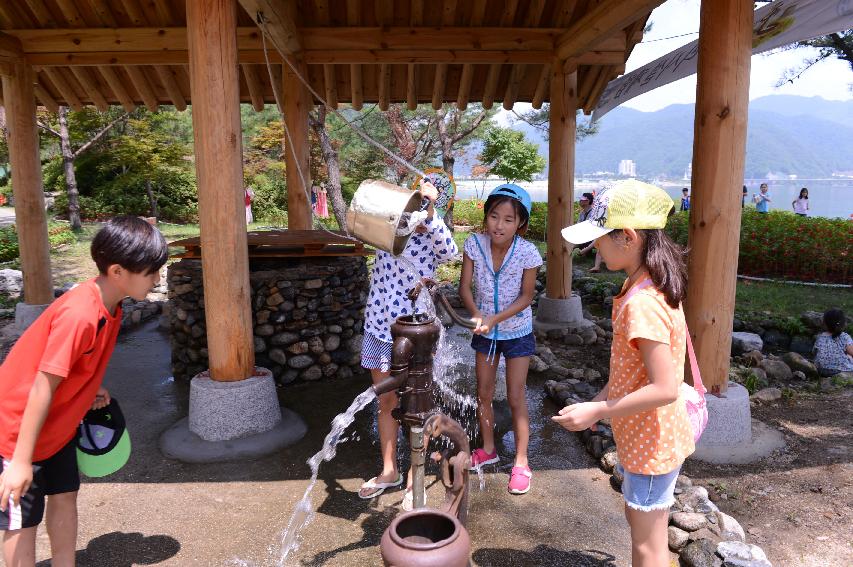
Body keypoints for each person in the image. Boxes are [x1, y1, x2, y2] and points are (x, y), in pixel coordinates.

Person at [0, 216, 168, 567]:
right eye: (151, 271)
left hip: (58, 427)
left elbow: (74, 365)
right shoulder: (80, 314)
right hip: (18, 429)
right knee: (21, 521)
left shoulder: (113, 304)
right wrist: (19, 462)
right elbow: (42, 385)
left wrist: (89, 387)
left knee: (64, 496)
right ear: (118, 271)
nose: (156, 279)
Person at [557, 182, 695, 567]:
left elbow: (666, 387)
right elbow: (629, 372)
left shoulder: (642, 303)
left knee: (648, 546)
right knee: (642, 524)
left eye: (600, 237)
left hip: (651, 443)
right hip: (647, 436)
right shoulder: (644, 284)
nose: (594, 247)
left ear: (628, 237)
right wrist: (597, 401)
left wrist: (599, 412)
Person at [359, 180, 458, 509]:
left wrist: (429, 214)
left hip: (416, 331)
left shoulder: (432, 231)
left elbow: (451, 251)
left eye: (423, 200)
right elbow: (360, 221)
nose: (414, 207)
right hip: (379, 325)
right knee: (385, 401)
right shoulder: (388, 228)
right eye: (414, 198)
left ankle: (417, 481)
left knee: (418, 405)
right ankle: (390, 471)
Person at [459, 184, 542, 495]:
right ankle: (489, 449)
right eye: (495, 216)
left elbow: (527, 296)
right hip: (485, 332)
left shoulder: (527, 252)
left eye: (509, 219)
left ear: (520, 222)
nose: (499, 225)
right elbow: (464, 287)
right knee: (483, 392)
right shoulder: (473, 244)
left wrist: (496, 318)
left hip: (517, 332)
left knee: (516, 396)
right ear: (487, 216)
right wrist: (477, 314)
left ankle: (521, 463)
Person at [813, 309, 853, 377]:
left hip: (822, 370)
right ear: (843, 324)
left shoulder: (820, 337)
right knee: (850, 356)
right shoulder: (845, 337)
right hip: (840, 370)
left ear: (824, 323)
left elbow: (815, 352)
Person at [574, 192, 603, 273]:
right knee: (571, 241)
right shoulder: (582, 213)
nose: (580, 201)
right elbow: (578, 226)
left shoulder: (595, 213)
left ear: (587, 201)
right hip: (586, 236)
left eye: (582, 200)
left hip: (593, 236)